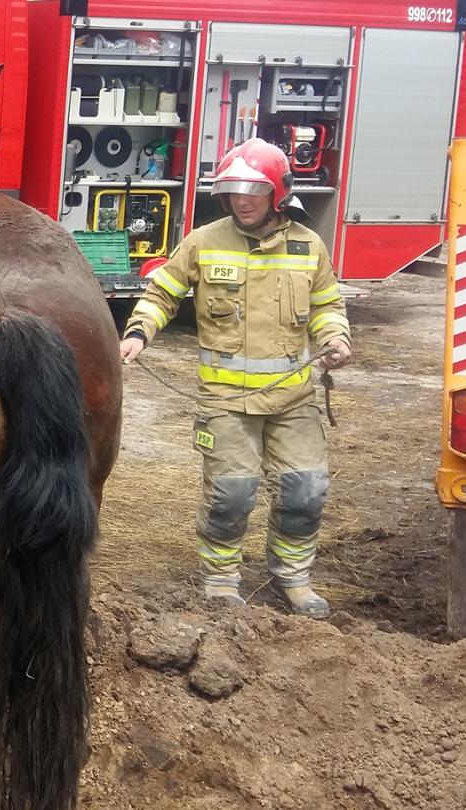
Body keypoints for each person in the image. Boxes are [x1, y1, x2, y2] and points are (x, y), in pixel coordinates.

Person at [118, 137, 353, 618]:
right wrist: (138, 333)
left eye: (253, 191)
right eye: (234, 191)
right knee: (231, 495)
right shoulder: (203, 242)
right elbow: (163, 293)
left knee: (305, 491)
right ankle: (221, 581)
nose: (242, 201)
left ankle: (292, 579)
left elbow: (327, 304)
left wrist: (335, 338)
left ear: (277, 193)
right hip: (226, 401)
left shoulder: (308, 246)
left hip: (293, 399)